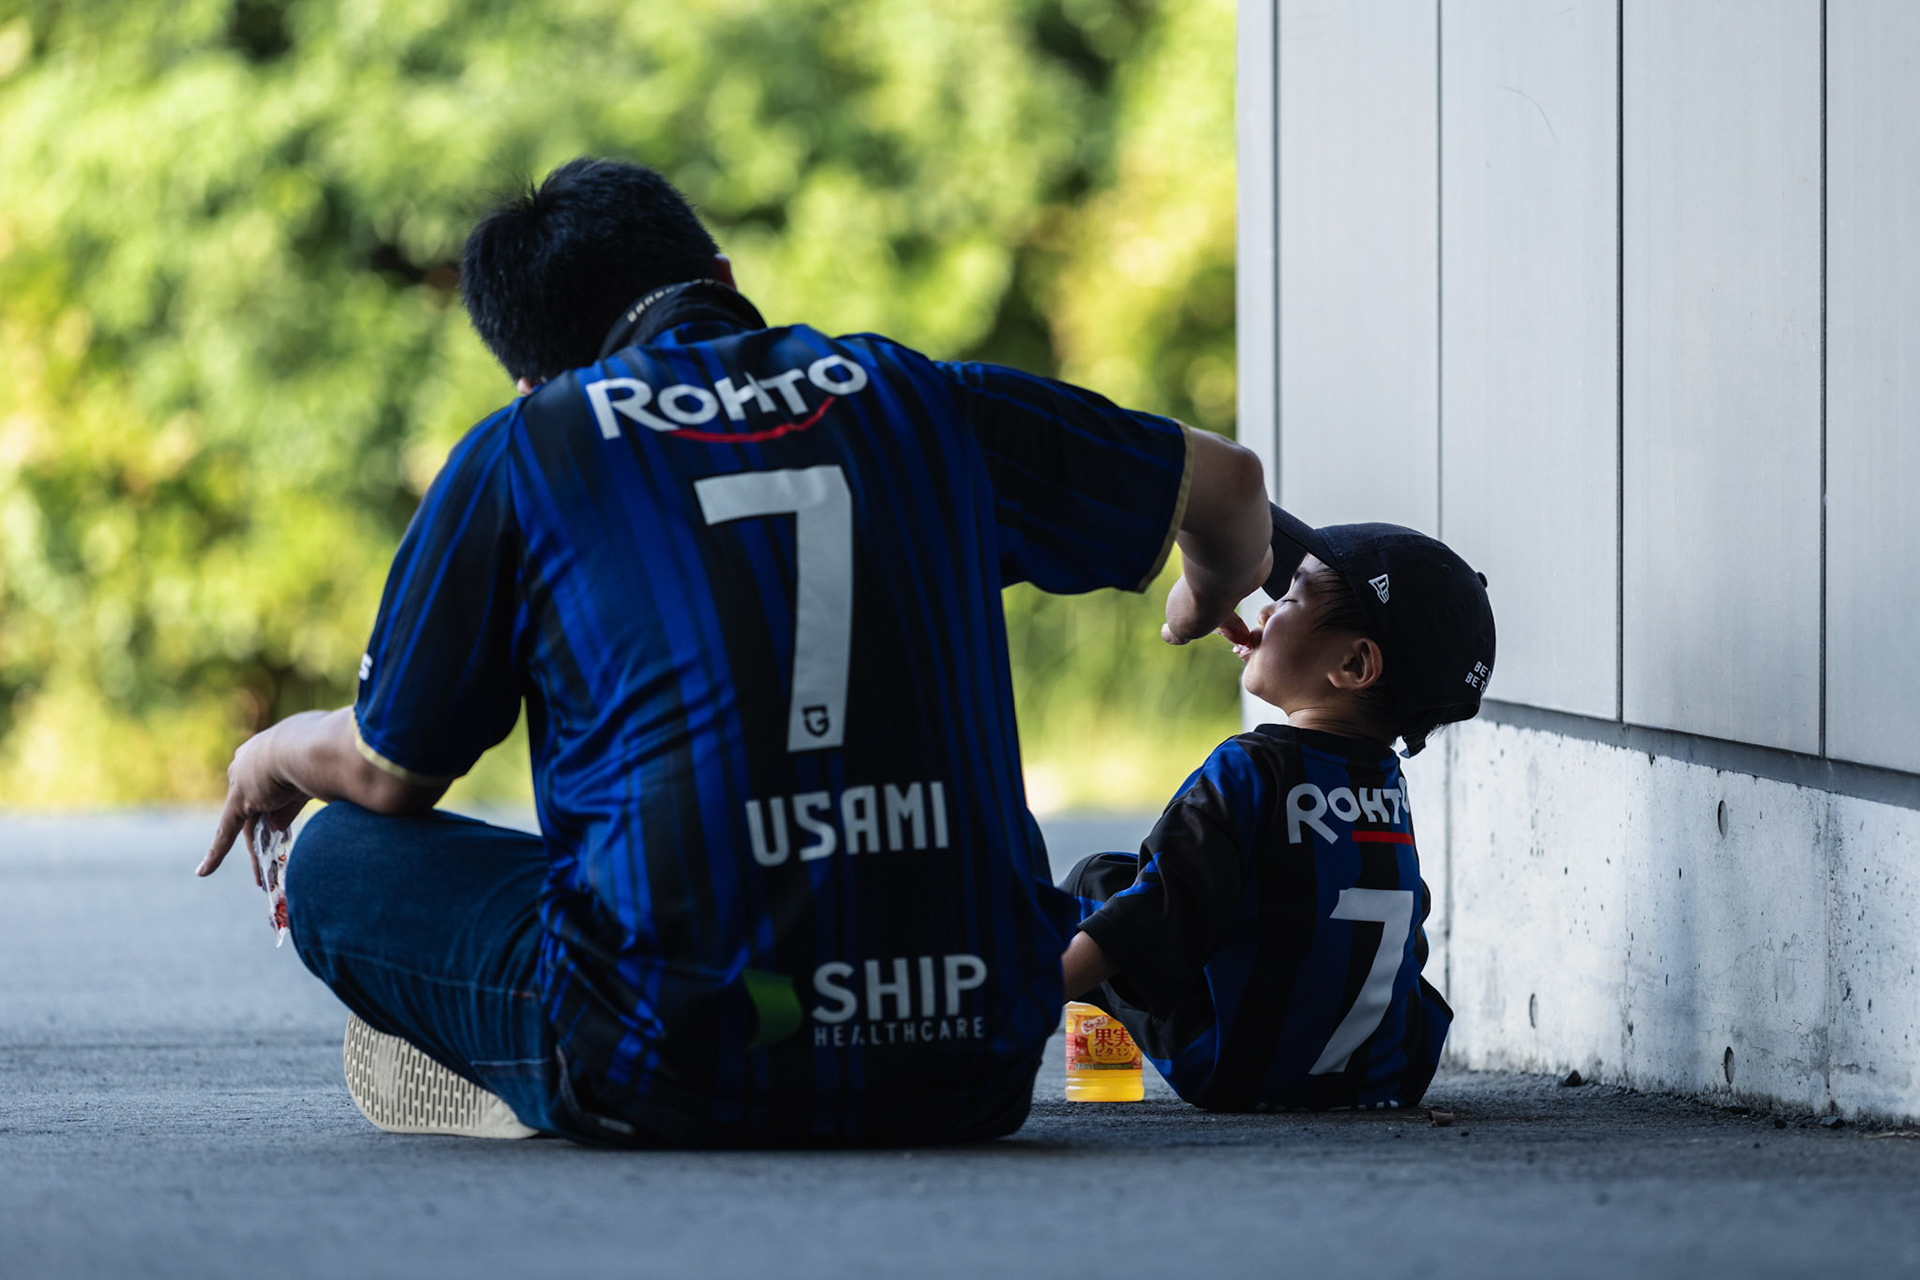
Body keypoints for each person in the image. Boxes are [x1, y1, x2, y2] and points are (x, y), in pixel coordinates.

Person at [198, 157, 1274, 1146]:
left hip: (677, 1062)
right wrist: (1205, 592)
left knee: (338, 852)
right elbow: (1229, 487)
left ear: (532, 378)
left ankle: (537, 1065)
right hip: (972, 1061)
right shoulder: (920, 396)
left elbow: (388, 769)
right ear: (720, 276)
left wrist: (268, 754)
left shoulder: (529, 450)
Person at [1058, 505, 1495, 1111]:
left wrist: (1029, 993)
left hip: (1240, 1070)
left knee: (1097, 882)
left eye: (1290, 598)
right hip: (1384, 1076)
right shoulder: (1386, 784)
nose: (1264, 611)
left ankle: (1098, 1072)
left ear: (1353, 665)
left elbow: (1160, 908)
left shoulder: (1247, 768)